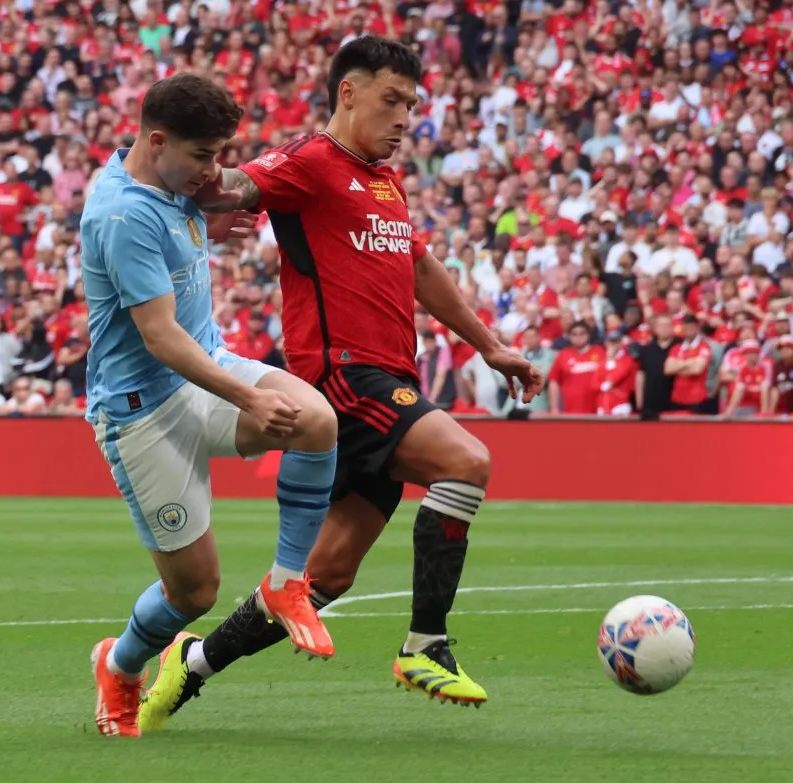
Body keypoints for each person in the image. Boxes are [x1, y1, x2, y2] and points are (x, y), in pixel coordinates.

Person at [140, 37, 542, 730]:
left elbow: (421, 272)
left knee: (323, 577)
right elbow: (236, 185)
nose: (405, 117)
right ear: (347, 93)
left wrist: (492, 346)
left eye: (413, 105)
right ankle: (426, 644)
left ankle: (193, 662)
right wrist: (195, 191)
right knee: (465, 461)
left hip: (388, 378)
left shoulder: (386, 181)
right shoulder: (311, 164)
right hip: (344, 378)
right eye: (392, 100)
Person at [80, 74, 339, 739]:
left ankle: (286, 584)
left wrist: (208, 224)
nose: (214, 168)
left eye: (221, 152)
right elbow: (159, 335)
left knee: (316, 419)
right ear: (157, 140)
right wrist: (252, 396)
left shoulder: (174, 188)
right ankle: (120, 662)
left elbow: (180, 244)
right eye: (203, 155)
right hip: (142, 411)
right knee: (194, 591)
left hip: (207, 369)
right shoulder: (125, 211)